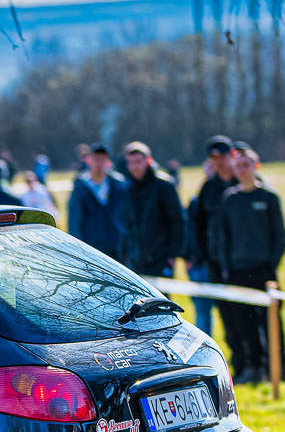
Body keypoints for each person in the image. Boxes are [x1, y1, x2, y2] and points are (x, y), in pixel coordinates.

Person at [209, 144, 285, 384]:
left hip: (264, 270)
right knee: (245, 323)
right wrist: (226, 265)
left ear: (256, 166)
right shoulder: (230, 199)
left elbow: (280, 236)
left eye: (247, 165)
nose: (243, 170)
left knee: (272, 321)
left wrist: (271, 265)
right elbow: (222, 236)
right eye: (239, 166)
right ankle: (251, 368)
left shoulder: (269, 197)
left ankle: (279, 368)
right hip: (237, 271)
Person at [189, 136, 239, 338]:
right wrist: (203, 254)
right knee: (227, 315)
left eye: (222, 157)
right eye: (214, 158)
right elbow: (198, 224)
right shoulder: (208, 187)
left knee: (246, 315)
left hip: (243, 261)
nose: (218, 162)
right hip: (215, 261)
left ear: (232, 155)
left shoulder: (243, 181)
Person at [120, 141, 187, 278]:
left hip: (161, 260)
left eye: (138, 162)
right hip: (134, 261)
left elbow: (177, 220)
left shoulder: (164, 185)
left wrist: (172, 255)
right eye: (131, 163)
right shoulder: (127, 188)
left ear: (148, 160)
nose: (135, 167)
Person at [66, 142, 127, 260]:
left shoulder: (118, 185)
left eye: (102, 159)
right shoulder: (81, 186)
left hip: (116, 250)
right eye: (96, 159)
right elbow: (74, 220)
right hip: (90, 251)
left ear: (108, 162)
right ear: (89, 160)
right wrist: (77, 249)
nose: (99, 163)